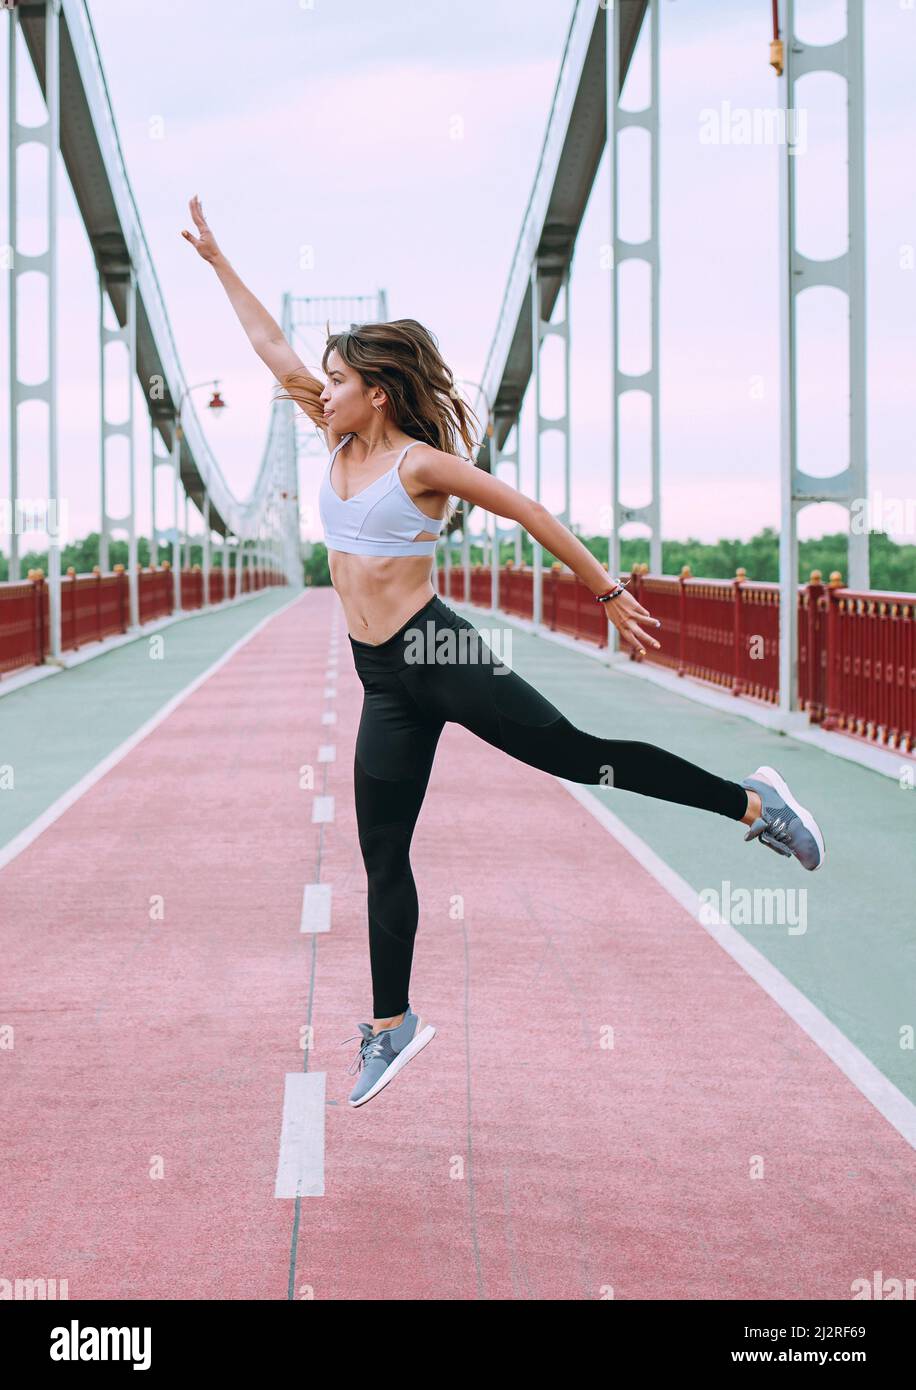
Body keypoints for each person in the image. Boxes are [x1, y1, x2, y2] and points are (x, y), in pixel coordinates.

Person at [182, 195, 826, 1109]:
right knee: (382, 851)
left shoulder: (415, 464)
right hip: (382, 680)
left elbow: (526, 510)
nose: (319, 389)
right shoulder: (332, 435)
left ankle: (756, 803)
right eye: (321, 380)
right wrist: (217, 262)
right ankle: (391, 1024)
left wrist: (604, 591)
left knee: (581, 757)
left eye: (337, 379)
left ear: (378, 390)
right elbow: (270, 349)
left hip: (437, 653)